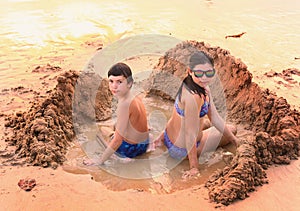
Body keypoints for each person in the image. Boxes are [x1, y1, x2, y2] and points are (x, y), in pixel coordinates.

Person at [154, 51, 238, 178]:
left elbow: (214, 117)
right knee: (232, 129)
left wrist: (161, 138)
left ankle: (165, 140)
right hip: (181, 151)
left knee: (206, 122)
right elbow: (190, 134)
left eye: (209, 73)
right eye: (199, 73)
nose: (204, 78)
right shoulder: (194, 97)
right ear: (190, 71)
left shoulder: (190, 84)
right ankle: (191, 158)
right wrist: (194, 167)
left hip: (167, 137)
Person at [84, 62, 149, 165]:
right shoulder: (134, 97)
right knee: (111, 127)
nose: (114, 86)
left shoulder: (124, 104)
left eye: (119, 82)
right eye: (111, 81)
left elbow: (117, 141)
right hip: (144, 144)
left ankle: (120, 157)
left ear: (129, 83)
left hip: (132, 150)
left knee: (101, 131)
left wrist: (99, 161)